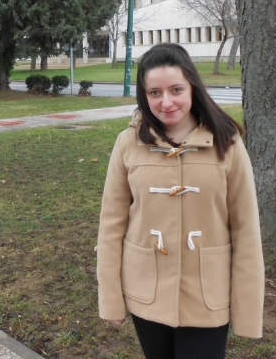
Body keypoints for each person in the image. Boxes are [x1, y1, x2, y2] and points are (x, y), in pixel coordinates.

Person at [96, 43, 264, 359]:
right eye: (154, 92)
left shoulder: (226, 142)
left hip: (208, 294)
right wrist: (111, 298)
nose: (166, 101)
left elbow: (246, 230)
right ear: (144, 95)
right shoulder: (128, 143)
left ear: (192, 87)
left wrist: (248, 312)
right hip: (146, 289)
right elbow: (111, 224)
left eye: (176, 89)